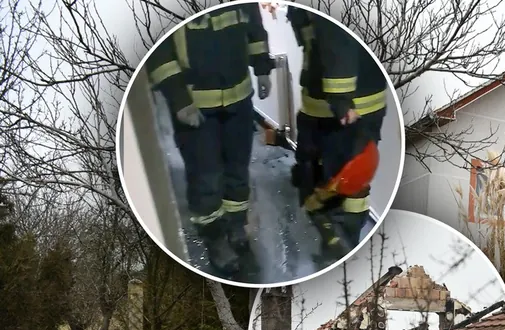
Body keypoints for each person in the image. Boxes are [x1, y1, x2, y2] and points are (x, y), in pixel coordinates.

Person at [146, 3, 274, 274]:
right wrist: (179, 98)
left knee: (237, 171)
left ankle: (236, 227)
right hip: (195, 107)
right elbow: (158, 51)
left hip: (239, 103)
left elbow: (254, 28)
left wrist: (262, 67)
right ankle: (215, 239)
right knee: (206, 177)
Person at [286, 5, 387, 261]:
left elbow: (337, 36)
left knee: (337, 179)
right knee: (352, 181)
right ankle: (341, 243)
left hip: (336, 108)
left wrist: (340, 100)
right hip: (355, 103)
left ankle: (337, 245)